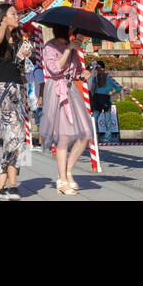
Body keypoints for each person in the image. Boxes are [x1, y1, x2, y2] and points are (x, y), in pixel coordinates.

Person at [41, 25, 95, 196]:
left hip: (71, 90)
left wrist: (83, 74)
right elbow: (54, 69)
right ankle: (62, 179)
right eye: (71, 30)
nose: (73, 32)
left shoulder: (73, 48)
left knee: (85, 133)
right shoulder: (49, 46)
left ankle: (69, 170)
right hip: (56, 90)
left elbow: (77, 71)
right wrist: (68, 50)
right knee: (63, 136)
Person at [0, 3, 32, 200]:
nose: (18, 16)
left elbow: (22, 72)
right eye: (13, 14)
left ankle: (2, 186)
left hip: (18, 90)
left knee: (19, 138)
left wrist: (24, 56)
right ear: (3, 17)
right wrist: (4, 25)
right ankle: (11, 185)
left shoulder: (18, 42)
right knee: (12, 137)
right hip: (2, 91)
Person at [26, 54, 46, 147]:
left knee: (41, 123)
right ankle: (40, 142)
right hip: (33, 101)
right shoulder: (29, 72)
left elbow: (42, 84)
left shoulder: (37, 71)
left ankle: (42, 142)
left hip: (39, 101)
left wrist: (41, 97)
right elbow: (25, 81)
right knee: (38, 123)